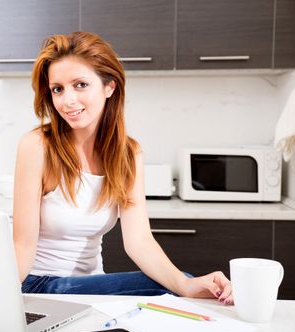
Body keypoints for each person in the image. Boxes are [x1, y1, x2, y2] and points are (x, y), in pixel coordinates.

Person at [12, 31, 233, 304]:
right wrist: (1, 301)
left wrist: (185, 284)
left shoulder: (128, 153)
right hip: (39, 285)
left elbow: (139, 240)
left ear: (109, 87)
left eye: (80, 85)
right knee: (170, 287)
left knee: (178, 284)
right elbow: (21, 245)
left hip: (91, 285)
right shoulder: (37, 146)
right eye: (58, 89)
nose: (67, 100)